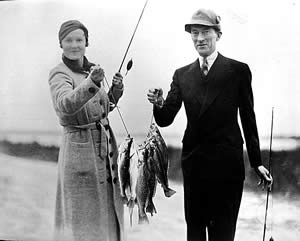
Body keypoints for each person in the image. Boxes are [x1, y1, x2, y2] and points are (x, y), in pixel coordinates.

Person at [147, 9, 273, 241]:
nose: (199, 38)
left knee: (223, 235)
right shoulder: (182, 75)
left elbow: (248, 117)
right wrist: (158, 103)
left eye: (205, 32)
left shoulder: (238, 70)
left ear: (218, 34)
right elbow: (165, 119)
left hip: (227, 167)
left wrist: (256, 162)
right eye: (195, 33)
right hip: (194, 167)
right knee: (195, 234)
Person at [48, 20, 125, 241]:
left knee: (106, 217)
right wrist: (92, 82)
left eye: (79, 40)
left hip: (103, 151)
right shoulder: (59, 74)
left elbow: (101, 109)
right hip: (79, 150)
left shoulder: (91, 70)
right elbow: (65, 106)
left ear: (86, 42)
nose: (74, 45)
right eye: (68, 40)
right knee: (81, 220)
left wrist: (116, 91)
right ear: (61, 44)